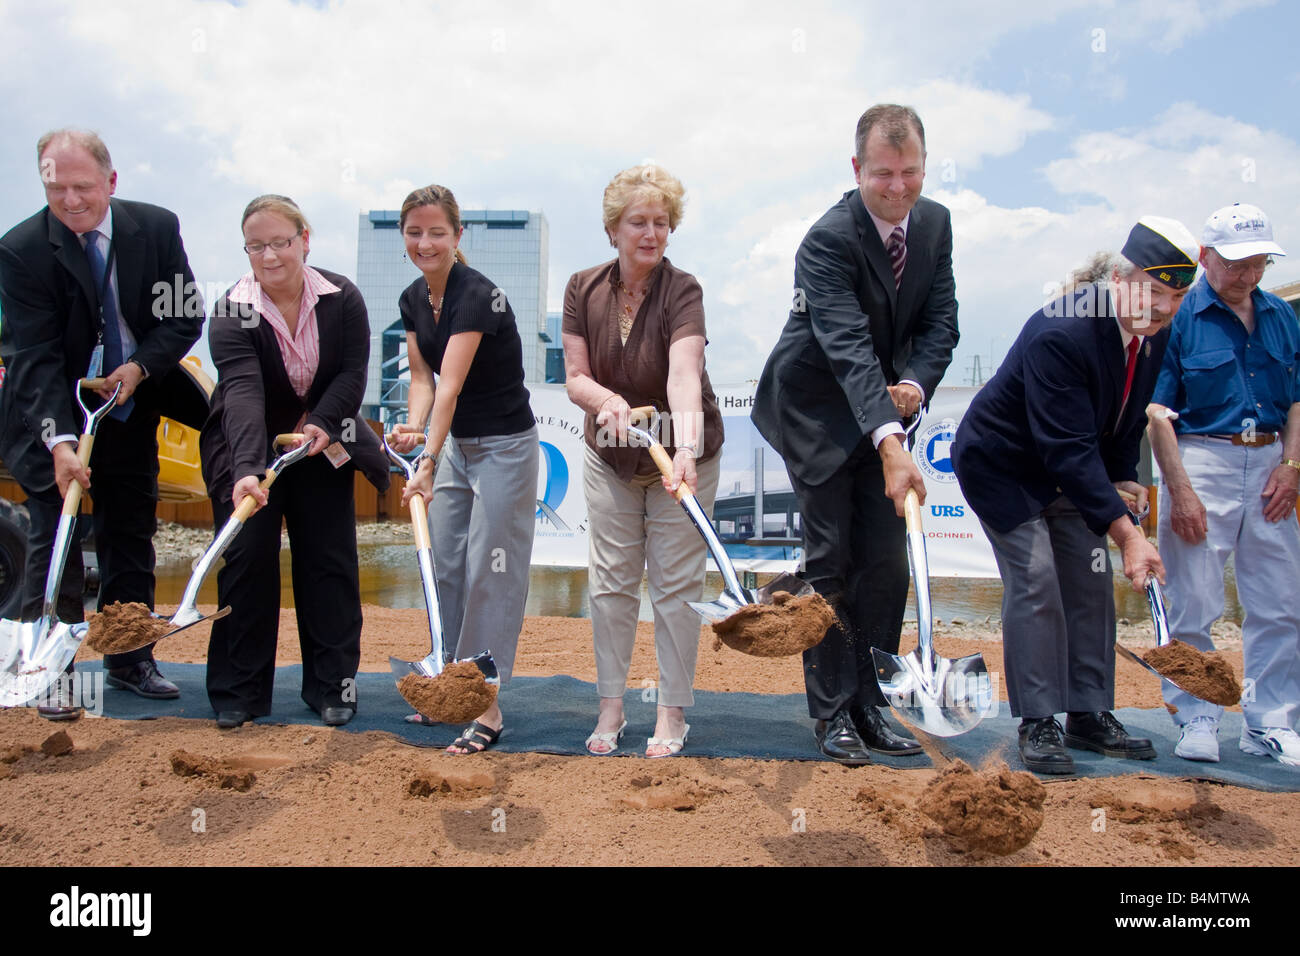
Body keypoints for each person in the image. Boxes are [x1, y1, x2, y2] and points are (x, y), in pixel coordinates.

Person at [951, 217, 1199, 774]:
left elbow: (1124, 418)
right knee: (1037, 579)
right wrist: (1127, 533)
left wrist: (1121, 477)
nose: (1162, 309)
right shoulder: (1062, 331)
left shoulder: (1153, 334)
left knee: (1089, 582)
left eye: (1177, 298)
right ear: (1118, 277)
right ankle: (1039, 721)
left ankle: (1089, 713)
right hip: (1005, 468)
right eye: (1154, 292)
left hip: (1068, 467)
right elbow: (1066, 447)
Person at [752, 104, 958, 765]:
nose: (898, 189)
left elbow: (941, 323)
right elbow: (844, 346)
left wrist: (915, 388)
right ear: (857, 169)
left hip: (882, 407)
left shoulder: (935, 225)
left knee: (887, 560)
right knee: (832, 560)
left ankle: (874, 703)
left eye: (910, 173)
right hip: (815, 408)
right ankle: (833, 713)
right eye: (883, 175)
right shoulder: (827, 240)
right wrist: (891, 443)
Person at [0, 129, 206, 719]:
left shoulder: (156, 229)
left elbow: (182, 315)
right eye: (55, 188)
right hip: (54, 413)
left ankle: (129, 657)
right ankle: (52, 669)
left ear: (111, 183)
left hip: (130, 403)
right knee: (54, 537)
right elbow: (32, 355)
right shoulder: (21, 250)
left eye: (82, 187)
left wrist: (140, 368)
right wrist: (60, 441)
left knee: (129, 530)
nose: (69, 200)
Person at [200, 195, 389, 729]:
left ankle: (333, 687)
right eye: (256, 246)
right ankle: (238, 691)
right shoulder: (231, 311)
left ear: (305, 239)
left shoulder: (342, 297)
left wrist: (322, 424)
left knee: (328, 560)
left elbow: (353, 374)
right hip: (247, 443)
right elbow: (240, 392)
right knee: (247, 558)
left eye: (281, 242)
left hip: (321, 439)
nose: (270, 255)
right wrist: (246, 470)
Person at [562, 164, 723, 758]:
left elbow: (685, 372)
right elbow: (575, 376)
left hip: (682, 457)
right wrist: (608, 402)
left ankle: (672, 712)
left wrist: (682, 448)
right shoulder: (581, 287)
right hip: (610, 458)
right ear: (613, 230)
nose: (651, 233)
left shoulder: (684, 290)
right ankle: (611, 706)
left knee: (678, 587)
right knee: (611, 584)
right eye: (638, 222)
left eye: (661, 222)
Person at [1147, 202, 1300, 767]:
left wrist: (1292, 466)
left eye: (1259, 262)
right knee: (1194, 600)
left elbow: (1297, 401)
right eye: (1237, 263)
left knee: (1281, 600)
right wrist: (1180, 490)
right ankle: (1198, 716)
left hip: (1270, 465)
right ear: (1206, 257)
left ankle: (1271, 723)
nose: (1248, 275)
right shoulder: (1180, 317)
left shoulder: (1281, 315)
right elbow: (1158, 412)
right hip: (1200, 459)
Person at [389, 184, 538, 755]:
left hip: (505, 445)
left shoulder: (478, 295)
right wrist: (412, 425)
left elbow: (452, 385)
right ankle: (447, 685)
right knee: (445, 564)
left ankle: (484, 707)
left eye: (437, 232)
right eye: (414, 232)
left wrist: (425, 457)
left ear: (457, 236)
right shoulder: (410, 298)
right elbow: (424, 383)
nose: (425, 243)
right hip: (458, 447)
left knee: (490, 572)